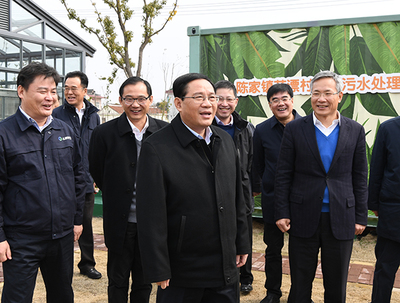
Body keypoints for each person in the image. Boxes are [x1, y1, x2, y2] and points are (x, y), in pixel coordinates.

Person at [136, 73, 250, 303]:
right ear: (178, 103)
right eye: (198, 97)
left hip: (224, 268)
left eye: (212, 97)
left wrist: (241, 242)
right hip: (182, 271)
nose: (208, 104)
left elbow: (236, 196)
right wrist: (158, 266)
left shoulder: (225, 141)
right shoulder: (157, 147)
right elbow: (151, 214)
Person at [274, 71, 368, 303]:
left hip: (341, 217)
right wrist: (282, 211)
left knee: (336, 284)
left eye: (327, 93)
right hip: (302, 215)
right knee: (300, 281)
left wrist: (360, 216)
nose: (321, 99)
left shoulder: (354, 130)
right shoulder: (295, 129)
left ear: (339, 96)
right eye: (316, 93)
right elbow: (284, 173)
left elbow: (360, 175)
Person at [0, 62, 85, 303]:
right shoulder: (4, 134)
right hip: (21, 240)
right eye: (42, 91)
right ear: (21, 91)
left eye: (53, 91)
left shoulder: (64, 129)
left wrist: (77, 220)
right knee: (17, 298)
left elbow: (78, 175)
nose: (50, 98)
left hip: (62, 237)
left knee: (62, 296)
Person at [88, 76, 167, 302]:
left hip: (151, 223)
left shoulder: (165, 132)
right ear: (121, 101)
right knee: (117, 280)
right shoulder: (104, 133)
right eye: (129, 99)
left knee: (144, 282)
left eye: (141, 98)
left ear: (150, 100)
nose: (135, 104)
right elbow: (97, 169)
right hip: (119, 221)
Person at [252, 83, 301, 303]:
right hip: (273, 200)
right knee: (273, 249)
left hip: (302, 199)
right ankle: (273, 292)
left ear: (292, 100)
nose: (280, 103)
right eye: (274, 100)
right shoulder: (261, 130)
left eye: (284, 98)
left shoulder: (307, 126)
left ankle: (299, 293)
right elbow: (258, 165)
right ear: (269, 104)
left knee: (301, 251)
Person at [53, 71, 101, 279]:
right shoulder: (56, 114)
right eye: (66, 88)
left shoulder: (94, 115)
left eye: (74, 88)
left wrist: (96, 177)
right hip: (62, 181)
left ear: (84, 90)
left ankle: (87, 264)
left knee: (86, 224)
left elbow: (98, 148)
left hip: (86, 181)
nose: (69, 92)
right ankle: (58, 265)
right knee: (62, 224)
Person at [212, 79, 255, 294]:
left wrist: (250, 188)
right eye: (219, 98)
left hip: (242, 192)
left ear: (236, 102)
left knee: (243, 236)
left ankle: (245, 277)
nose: (224, 103)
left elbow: (253, 161)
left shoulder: (245, 128)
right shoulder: (206, 127)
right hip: (215, 191)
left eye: (229, 99)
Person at [368, 116, 400, 303]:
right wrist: (374, 204)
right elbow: (377, 168)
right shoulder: (389, 128)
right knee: (385, 268)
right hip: (393, 210)